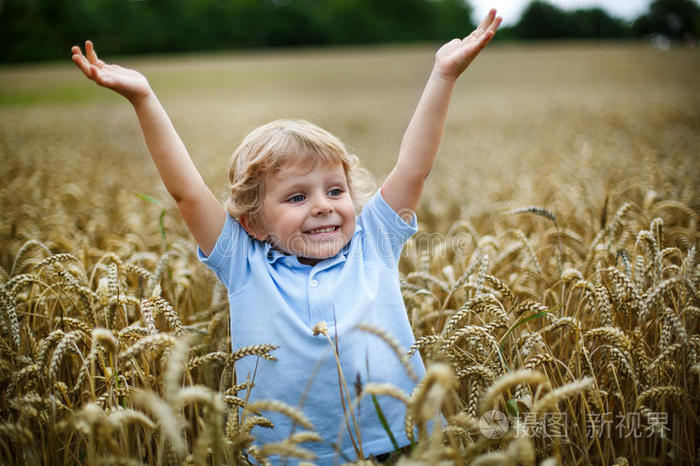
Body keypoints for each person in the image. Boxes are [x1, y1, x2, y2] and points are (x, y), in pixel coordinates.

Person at [72, 10, 501, 463]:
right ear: (253, 223)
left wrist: (443, 75)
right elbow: (188, 194)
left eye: (336, 191)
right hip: (286, 453)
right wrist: (144, 100)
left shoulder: (373, 242)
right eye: (297, 197)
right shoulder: (245, 264)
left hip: (396, 442)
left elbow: (414, 165)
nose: (322, 205)